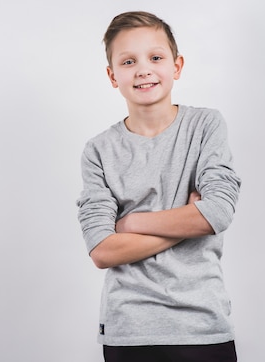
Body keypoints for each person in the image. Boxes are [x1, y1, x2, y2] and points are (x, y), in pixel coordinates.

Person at [76, 11, 242, 362]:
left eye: (155, 57)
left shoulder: (205, 126)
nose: (143, 70)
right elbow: (102, 251)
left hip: (202, 326)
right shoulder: (99, 150)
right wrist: (187, 221)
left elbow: (218, 212)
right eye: (128, 61)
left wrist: (133, 223)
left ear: (176, 66)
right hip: (128, 330)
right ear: (112, 75)